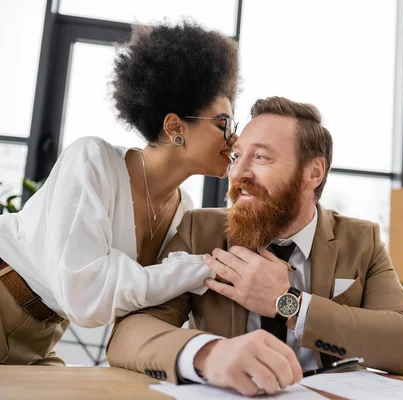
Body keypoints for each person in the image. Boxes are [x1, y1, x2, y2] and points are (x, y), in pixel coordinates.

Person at [106, 96, 403, 396]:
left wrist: (289, 303)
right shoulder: (198, 231)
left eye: (260, 157)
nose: (238, 173)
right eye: (236, 157)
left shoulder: (361, 241)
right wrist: (208, 353)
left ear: (313, 172)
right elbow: (128, 333)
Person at [0, 20, 239, 366]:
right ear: (175, 128)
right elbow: (87, 298)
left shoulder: (182, 208)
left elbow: (138, 298)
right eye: (224, 123)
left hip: (42, 329)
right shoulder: (92, 161)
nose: (235, 138)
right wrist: (197, 268)